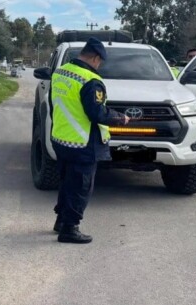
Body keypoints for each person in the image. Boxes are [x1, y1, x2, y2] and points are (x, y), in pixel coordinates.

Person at [51, 38, 129, 244]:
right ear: (95, 58)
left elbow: (55, 104)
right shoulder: (91, 81)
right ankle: (69, 228)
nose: (99, 66)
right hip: (83, 142)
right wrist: (120, 118)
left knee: (67, 182)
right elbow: (97, 114)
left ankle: (61, 220)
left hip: (61, 138)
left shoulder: (60, 73)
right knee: (80, 186)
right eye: (100, 62)